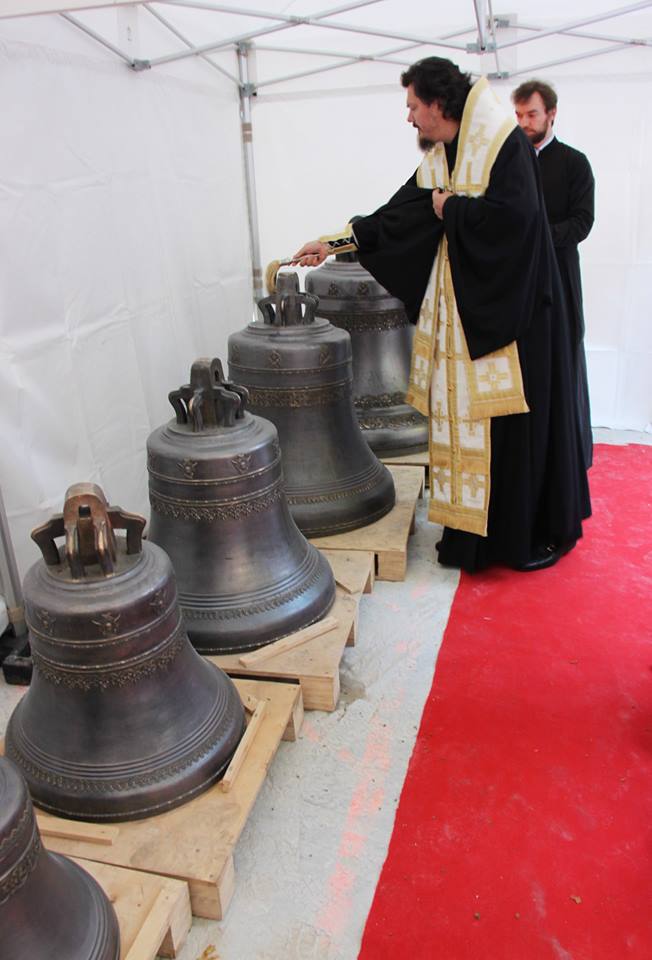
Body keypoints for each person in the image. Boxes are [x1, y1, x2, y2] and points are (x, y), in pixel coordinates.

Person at [292, 57, 590, 573]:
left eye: (412, 105)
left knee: (514, 433)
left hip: (518, 322)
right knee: (472, 426)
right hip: (470, 316)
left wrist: (452, 210)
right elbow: (404, 210)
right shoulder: (448, 153)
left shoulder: (501, 142)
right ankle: (471, 538)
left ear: (436, 102)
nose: (409, 117)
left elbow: (518, 225)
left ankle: (524, 538)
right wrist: (336, 241)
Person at [512, 79, 595, 470]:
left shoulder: (574, 163)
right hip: (519, 283)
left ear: (551, 114)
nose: (524, 122)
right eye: (519, 115)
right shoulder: (509, 165)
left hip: (560, 278)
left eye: (531, 114)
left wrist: (540, 237)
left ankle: (568, 457)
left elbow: (582, 222)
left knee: (563, 361)